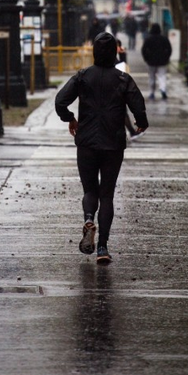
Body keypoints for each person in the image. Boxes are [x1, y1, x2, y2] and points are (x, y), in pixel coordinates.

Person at [55, 32, 148, 264]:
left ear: (94, 52)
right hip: (112, 143)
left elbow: (60, 101)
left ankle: (88, 218)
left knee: (89, 190)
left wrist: (70, 118)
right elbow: (138, 104)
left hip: (86, 142)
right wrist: (140, 122)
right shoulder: (123, 79)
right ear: (115, 53)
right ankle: (103, 247)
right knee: (106, 194)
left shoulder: (82, 76)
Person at [140, 23, 172, 100]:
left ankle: (152, 92)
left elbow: (144, 49)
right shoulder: (164, 38)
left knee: (151, 77)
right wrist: (166, 57)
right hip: (162, 61)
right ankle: (163, 89)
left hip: (151, 61)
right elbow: (169, 49)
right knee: (162, 76)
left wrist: (146, 58)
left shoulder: (148, 39)